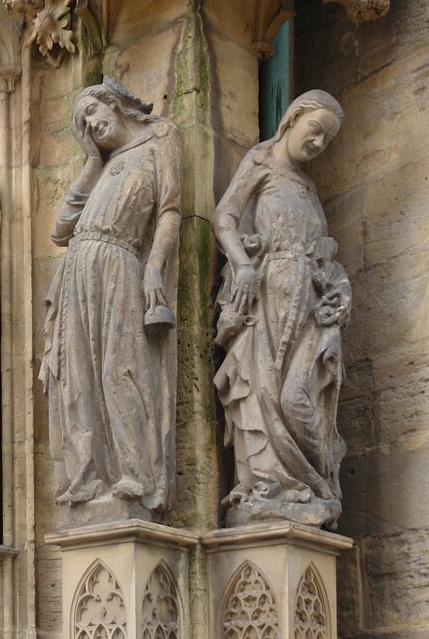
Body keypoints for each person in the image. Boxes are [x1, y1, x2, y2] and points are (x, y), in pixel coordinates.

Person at [41, 76, 181, 516]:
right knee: (76, 375)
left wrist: (155, 266)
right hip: (78, 267)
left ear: (114, 105)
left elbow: (170, 211)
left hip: (121, 260)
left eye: (93, 113)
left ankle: (136, 472)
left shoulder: (160, 138)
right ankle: (85, 478)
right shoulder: (100, 165)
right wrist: (90, 161)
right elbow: (60, 230)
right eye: (82, 122)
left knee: (121, 367)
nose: (91, 125)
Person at [213, 89, 349, 528]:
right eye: (315, 132)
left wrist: (341, 291)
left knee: (298, 398)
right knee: (264, 392)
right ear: (292, 120)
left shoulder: (309, 188)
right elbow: (225, 217)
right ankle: (268, 482)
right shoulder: (261, 161)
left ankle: (316, 486)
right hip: (266, 299)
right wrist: (241, 264)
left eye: (326, 141)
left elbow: (327, 255)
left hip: (309, 305)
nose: (317, 144)